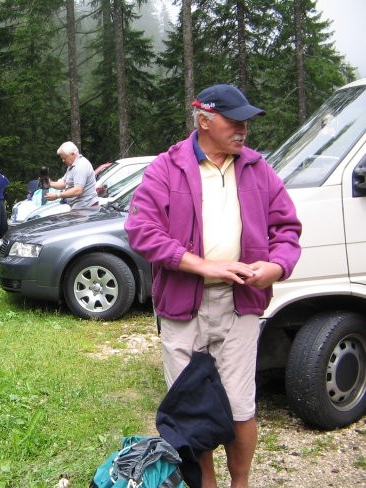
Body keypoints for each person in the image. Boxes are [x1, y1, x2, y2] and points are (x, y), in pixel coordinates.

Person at [124, 84, 302, 488]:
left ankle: (240, 484)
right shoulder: (166, 169)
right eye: (234, 121)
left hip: (240, 305)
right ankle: (207, 484)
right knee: (192, 407)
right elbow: (141, 230)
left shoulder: (259, 168)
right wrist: (203, 265)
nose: (243, 130)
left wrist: (275, 267)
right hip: (182, 306)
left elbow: (287, 231)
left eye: (246, 123)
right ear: (204, 120)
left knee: (240, 407)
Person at [45, 141, 99, 209]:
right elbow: (64, 184)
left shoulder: (80, 166)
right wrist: (49, 183)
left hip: (86, 208)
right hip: (80, 207)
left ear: (73, 154)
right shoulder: (72, 165)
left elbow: (78, 190)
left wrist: (57, 195)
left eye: (64, 158)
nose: (63, 160)